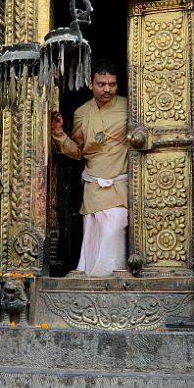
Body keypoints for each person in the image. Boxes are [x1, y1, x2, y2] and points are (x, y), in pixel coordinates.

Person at [50, 59, 140, 277]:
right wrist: (59, 133)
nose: (107, 89)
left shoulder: (130, 107)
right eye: (101, 84)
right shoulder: (82, 113)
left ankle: (114, 276)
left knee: (114, 227)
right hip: (93, 184)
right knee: (94, 236)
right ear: (91, 84)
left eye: (112, 84)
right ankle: (93, 280)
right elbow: (77, 151)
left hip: (120, 183)